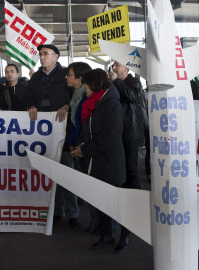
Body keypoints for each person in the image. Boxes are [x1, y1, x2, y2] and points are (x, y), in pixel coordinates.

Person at [70, 69, 125, 250]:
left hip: (109, 161)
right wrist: (80, 146)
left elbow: (108, 135)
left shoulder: (112, 104)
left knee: (114, 202)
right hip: (96, 159)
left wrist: (85, 150)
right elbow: (87, 128)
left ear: (93, 84)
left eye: (86, 83)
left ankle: (124, 236)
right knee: (102, 201)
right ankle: (106, 235)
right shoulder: (95, 102)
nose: (84, 86)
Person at [27, 44, 79, 230]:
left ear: (56, 56)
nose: (42, 57)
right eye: (40, 54)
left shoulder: (66, 74)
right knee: (51, 174)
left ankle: (73, 213)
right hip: (43, 132)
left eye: (46, 54)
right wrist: (31, 106)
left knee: (67, 172)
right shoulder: (35, 78)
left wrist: (67, 105)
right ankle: (58, 212)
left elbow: (76, 96)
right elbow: (29, 96)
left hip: (63, 130)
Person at [108, 61, 144, 252]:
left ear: (126, 69)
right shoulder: (113, 82)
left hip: (130, 133)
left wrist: (117, 82)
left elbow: (132, 97)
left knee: (131, 170)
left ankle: (135, 208)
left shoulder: (134, 83)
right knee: (118, 171)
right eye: (113, 65)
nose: (113, 68)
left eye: (117, 65)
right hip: (117, 132)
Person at [66, 62, 99, 233]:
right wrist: (72, 142)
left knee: (91, 183)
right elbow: (74, 121)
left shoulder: (88, 97)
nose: (66, 77)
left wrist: (80, 145)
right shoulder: (76, 94)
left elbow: (84, 124)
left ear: (80, 78)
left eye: (69, 74)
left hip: (86, 146)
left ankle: (98, 224)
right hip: (78, 145)